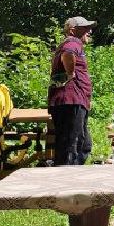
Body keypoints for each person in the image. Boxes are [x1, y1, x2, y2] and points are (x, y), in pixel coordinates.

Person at [48, 16, 95, 166]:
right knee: (72, 146)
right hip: (71, 100)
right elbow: (68, 53)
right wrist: (70, 72)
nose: (89, 31)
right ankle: (65, 179)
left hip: (72, 100)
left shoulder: (68, 43)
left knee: (83, 144)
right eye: (85, 28)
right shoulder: (72, 42)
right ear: (73, 30)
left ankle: (66, 173)